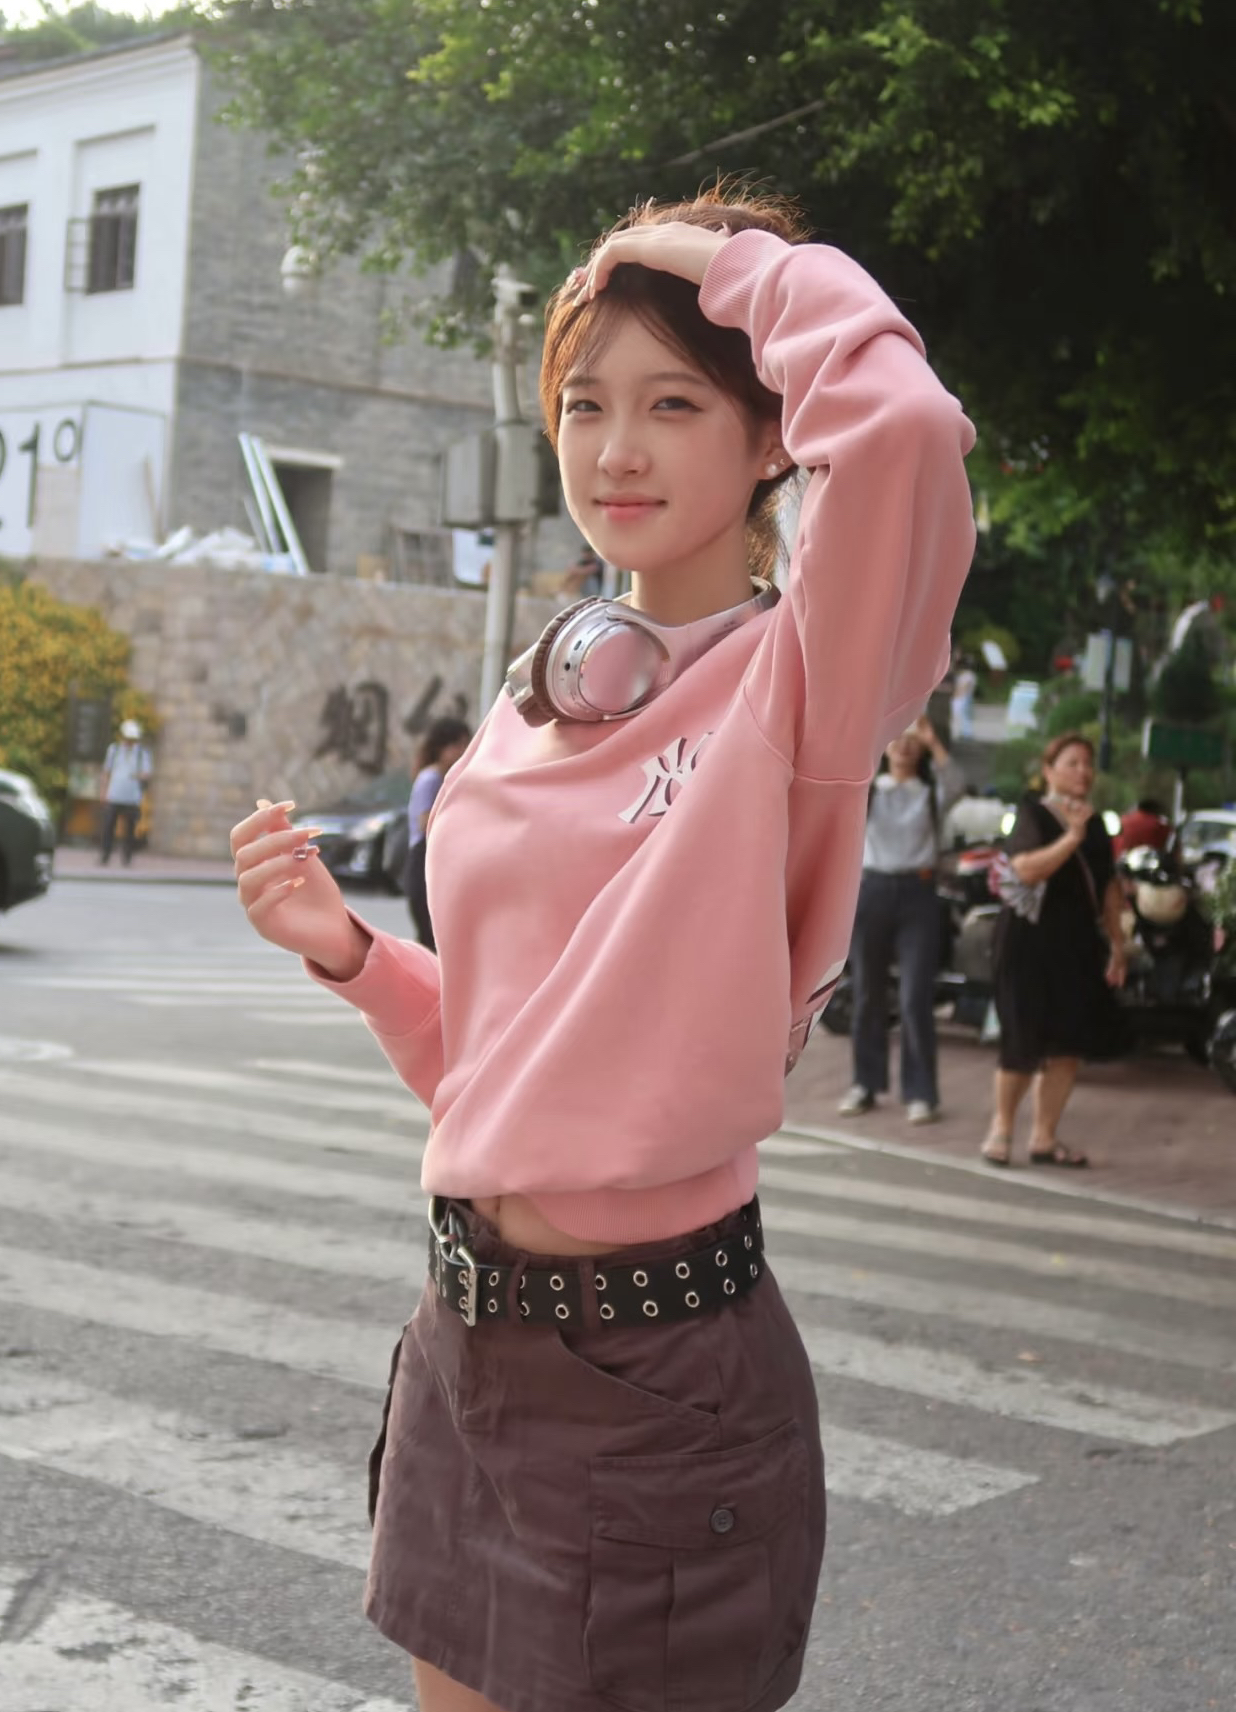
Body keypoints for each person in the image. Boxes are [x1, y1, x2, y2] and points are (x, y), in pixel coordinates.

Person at [232, 191, 975, 1712]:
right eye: (585, 404)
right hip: (467, 1341)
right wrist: (358, 956)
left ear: (770, 437)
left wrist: (715, 260)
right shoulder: (538, 697)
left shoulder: (806, 681)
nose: (616, 448)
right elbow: (520, 1062)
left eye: (674, 403)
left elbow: (902, 424)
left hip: (657, 1375)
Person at [983, 733, 1128, 1170]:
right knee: (1022, 1039)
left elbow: (1109, 888)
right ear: (1049, 771)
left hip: (1076, 945)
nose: (1083, 771)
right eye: (1072, 763)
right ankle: (1001, 1128)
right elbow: (1026, 870)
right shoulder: (1033, 814)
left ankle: (1044, 1137)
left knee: (1068, 1043)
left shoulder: (1099, 825)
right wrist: (1072, 837)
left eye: (1088, 763)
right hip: (1027, 942)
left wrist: (1118, 945)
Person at [840, 715, 963, 1124]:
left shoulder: (930, 795)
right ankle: (865, 1084)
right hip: (872, 890)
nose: (905, 745)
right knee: (867, 993)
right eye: (898, 737)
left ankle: (921, 1092)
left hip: (918, 895)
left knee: (914, 998)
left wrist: (933, 738)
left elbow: (957, 784)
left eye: (913, 739)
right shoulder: (868, 788)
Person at [403, 715, 472, 951]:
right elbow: (425, 823)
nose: (463, 750)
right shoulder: (431, 779)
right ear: (441, 747)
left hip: (437, 860)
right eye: (457, 744)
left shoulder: (446, 777)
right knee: (431, 937)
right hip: (423, 858)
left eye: (466, 744)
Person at [98, 718, 152, 865]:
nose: (130, 742)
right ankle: (105, 855)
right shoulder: (114, 750)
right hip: (114, 794)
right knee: (108, 826)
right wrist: (103, 791)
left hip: (132, 797)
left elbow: (147, 773)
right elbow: (106, 772)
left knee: (130, 829)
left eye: (132, 739)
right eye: (128, 738)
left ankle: (127, 856)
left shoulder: (142, 753)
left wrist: (138, 775)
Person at [950, 656, 979, 741]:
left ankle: (966, 733)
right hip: (967, 697)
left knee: (962, 715)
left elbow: (963, 687)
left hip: (963, 697)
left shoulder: (967, 675)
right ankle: (966, 732)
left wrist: (956, 695)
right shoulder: (971, 675)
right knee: (965, 716)